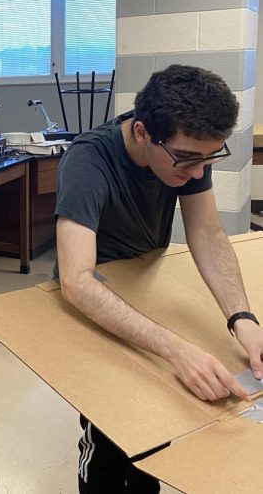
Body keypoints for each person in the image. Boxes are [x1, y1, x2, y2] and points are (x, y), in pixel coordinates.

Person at [55, 64, 263, 493]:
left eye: (208, 158)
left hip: (144, 283)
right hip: (95, 295)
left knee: (158, 425)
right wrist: (176, 348)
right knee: (110, 433)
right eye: (187, 159)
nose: (196, 171)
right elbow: (77, 281)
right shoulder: (88, 160)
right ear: (144, 132)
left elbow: (206, 232)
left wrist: (244, 319)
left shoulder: (186, 153)